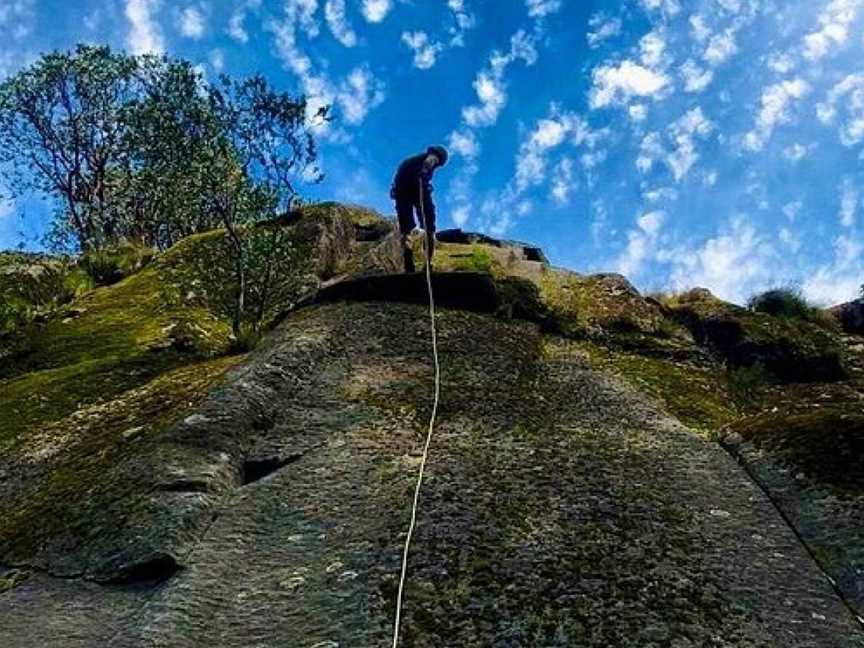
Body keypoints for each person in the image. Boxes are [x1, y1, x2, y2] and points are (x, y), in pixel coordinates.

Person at [390, 145, 449, 273]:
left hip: (417, 194)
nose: (434, 163)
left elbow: (427, 206)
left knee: (429, 226)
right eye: (435, 160)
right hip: (405, 193)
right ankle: (408, 263)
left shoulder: (428, 167)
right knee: (407, 230)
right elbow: (402, 180)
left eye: (437, 163)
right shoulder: (413, 163)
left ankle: (427, 263)